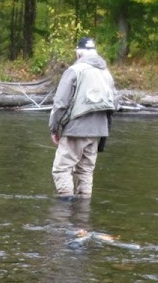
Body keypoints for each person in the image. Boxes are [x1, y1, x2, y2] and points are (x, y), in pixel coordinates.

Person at [48, 37, 118, 200]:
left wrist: (54, 128)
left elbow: (60, 103)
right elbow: (115, 102)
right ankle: (82, 214)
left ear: (78, 53)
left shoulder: (75, 70)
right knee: (85, 170)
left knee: (62, 169)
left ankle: (64, 213)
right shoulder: (105, 72)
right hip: (98, 130)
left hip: (75, 129)